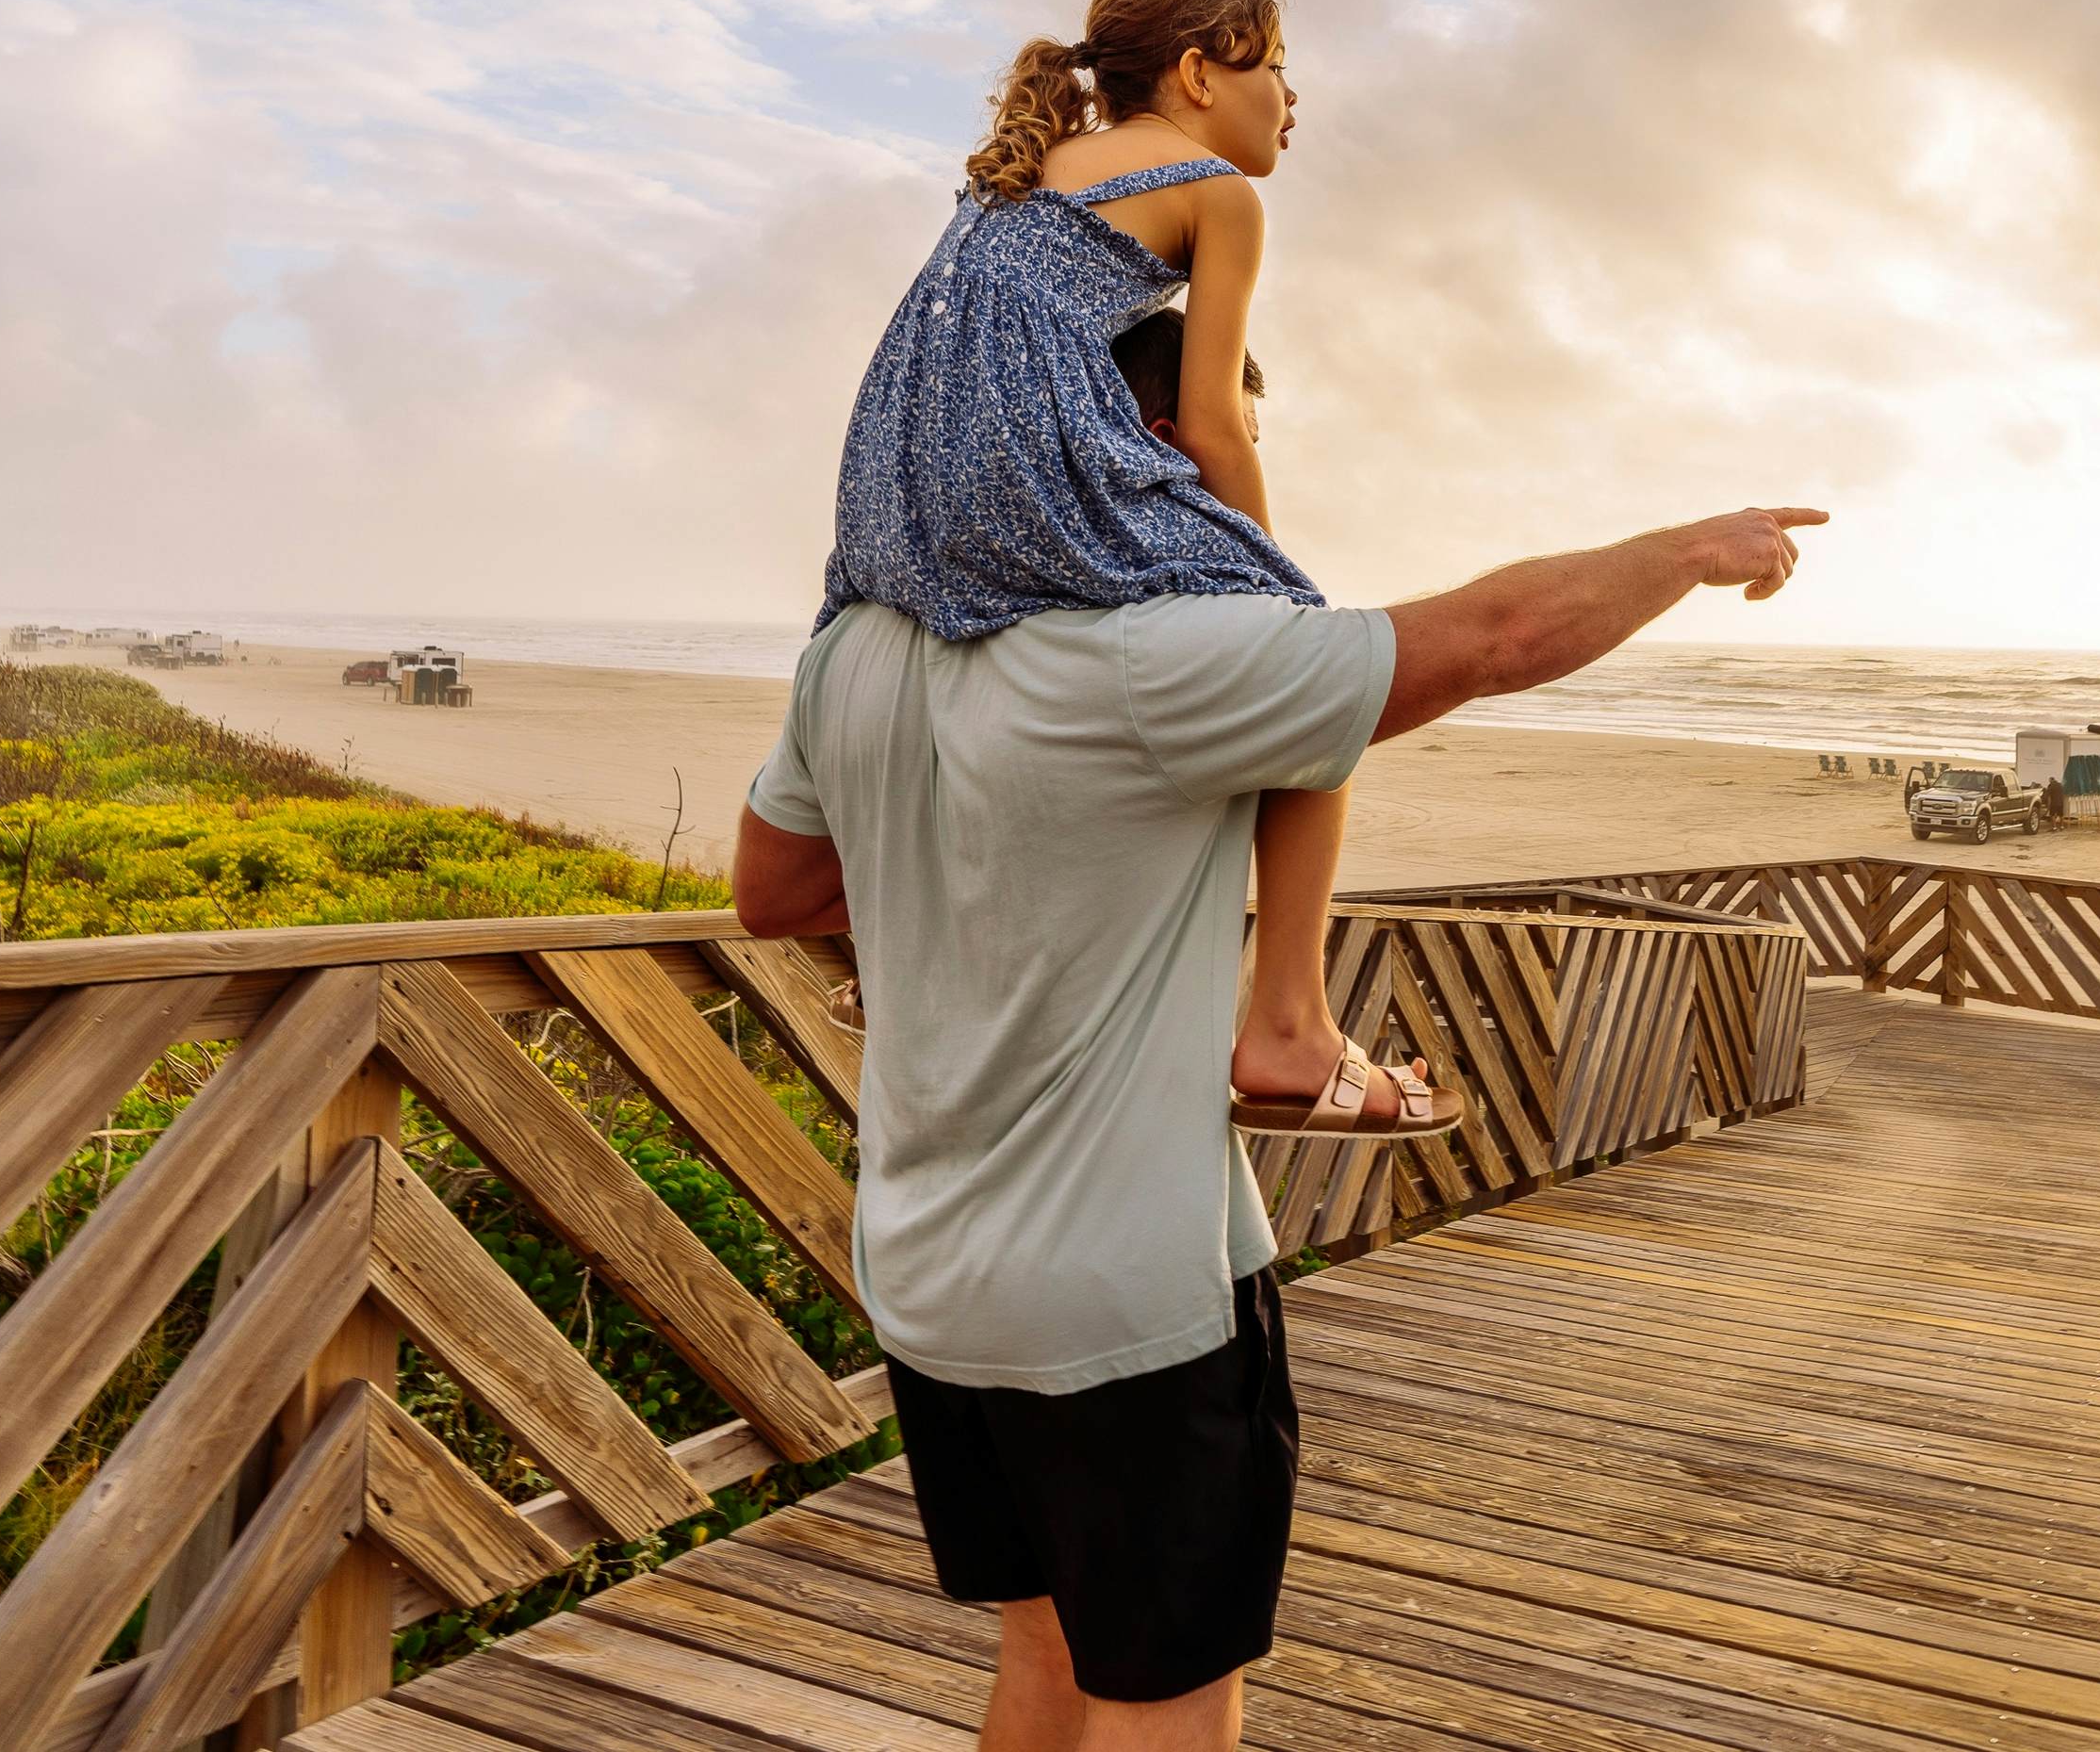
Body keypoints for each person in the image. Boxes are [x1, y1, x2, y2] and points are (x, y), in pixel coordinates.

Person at [736, 502, 1821, 1750]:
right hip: (1124, 1294)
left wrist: (960, 932)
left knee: (1041, 1647)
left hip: (928, 1272)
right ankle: (1295, 1025)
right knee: (1165, 1697)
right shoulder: (1156, 651)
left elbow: (776, 891)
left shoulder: (857, 651)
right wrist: (1686, 554)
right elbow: (1493, 637)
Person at [814, 0, 1423, 1140]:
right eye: (1277, 68)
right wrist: (1272, 581)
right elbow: (1208, 422)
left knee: (975, 687)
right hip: (1030, 463)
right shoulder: (1219, 193)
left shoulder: (1022, 169)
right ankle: (1291, 1020)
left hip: (894, 475)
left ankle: (899, 965)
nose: (1294, 99)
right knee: (1314, 674)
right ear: (1199, 74)